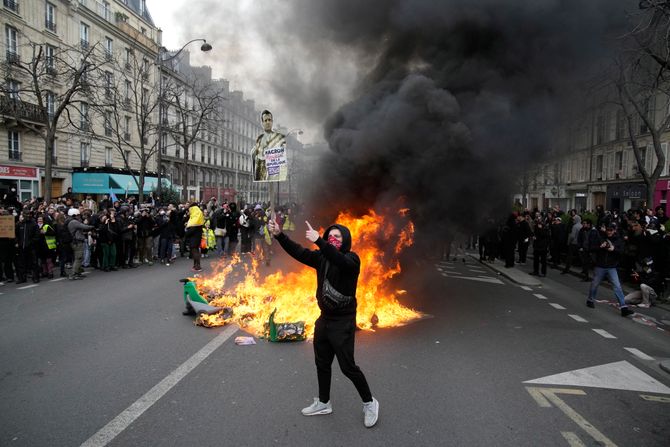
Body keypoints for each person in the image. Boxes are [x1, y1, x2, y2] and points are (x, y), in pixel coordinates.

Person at [267, 218, 379, 428]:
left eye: (337, 236)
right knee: (322, 363)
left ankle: (370, 402)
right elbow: (299, 252)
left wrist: (319, 240)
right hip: (324, 319)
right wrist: (279, 235)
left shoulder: (352, 259)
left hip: (343, 322)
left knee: (348, 367)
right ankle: (323, 403)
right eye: (330, 236)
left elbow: (340, 260)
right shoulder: (321, 258)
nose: (332, 239)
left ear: (345, 240)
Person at [586, 223, 635, 317]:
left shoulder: (618, 240)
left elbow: (622, 252)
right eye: (608, 230)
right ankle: (590, 300)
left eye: (611, 230)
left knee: (617, 287)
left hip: (612, 266)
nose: (609, 232)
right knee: (595, 284)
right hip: (600, 265)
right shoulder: (600, 238)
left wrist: (614, 249)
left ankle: (624, 308)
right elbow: (591, 248)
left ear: (614, 230)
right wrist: (600, 247)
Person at [252, 110, 286, 181]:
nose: (268, 122)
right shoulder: (259, 138)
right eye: (265, 120)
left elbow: (281, 158)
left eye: (269, 120)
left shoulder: (279, 137)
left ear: (272, 121)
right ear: (262, 123)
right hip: (261, 173)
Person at [185, 202, 204, 271]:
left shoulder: (195, 217)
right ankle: (195, 265)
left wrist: (186, 234)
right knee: (195, 251)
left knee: (194, 251)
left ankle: (197, 266)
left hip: (194, 238)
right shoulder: (198, 215)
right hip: (197, 237)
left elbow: (192, 229)